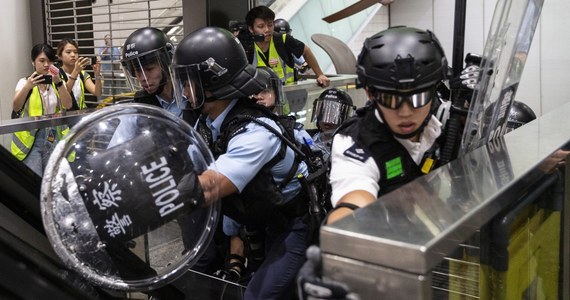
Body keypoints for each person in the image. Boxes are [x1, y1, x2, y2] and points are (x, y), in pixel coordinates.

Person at [297, 26, 451, 299]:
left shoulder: (448, 118)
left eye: (417, 98)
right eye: (391, 99)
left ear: (434, 89)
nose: (405, 112)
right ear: (370, 93)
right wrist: (336, 251)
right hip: (385, 265)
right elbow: (354, 202)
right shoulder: (354, 143)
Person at [171, 26, 310, 299]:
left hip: (295, 225)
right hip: (264, 220)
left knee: (258, 296)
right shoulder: (208, 122)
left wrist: (152, 201)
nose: (185, 92)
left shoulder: (255, 131)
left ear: (211, 82)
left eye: (188, 81)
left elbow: (210, 186)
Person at [11, 43, 73, 176]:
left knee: (53, 179)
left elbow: (68, 105)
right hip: (31, 141)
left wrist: (59, 83)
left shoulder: (56, 82)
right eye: (42, 60)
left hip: (53, 135)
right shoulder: (24, 82)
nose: (46, 64)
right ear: (33, 62)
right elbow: (16, 106)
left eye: (49, 61)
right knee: (35, 180)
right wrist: (28, 86)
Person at [244, 5, 330, 87]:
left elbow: (306, 51)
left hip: (288, 94)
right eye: (260, 26)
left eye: (270, 25)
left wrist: (320, 75)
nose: (267, 30)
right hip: (261, 98)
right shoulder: (247, 47)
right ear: (251, 29)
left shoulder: (283, 39)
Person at [120, 27, 182, 118]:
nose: (143, 78)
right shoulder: (141, 105)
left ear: (166, 64)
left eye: (149, 69)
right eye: (137, 71)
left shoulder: (191, 96)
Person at [311, 88, 356, 161]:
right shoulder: (307, 138)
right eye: (324, 114)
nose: (327, 121)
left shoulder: (351, 145)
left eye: (333, 115)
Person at [56, 38, 102, 110]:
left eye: (75, 52)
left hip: (79, 115)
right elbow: (63, 96)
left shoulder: (82, 74)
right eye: (68, 52)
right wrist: (75, 72)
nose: (73, 55)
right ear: (60, 56)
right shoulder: (56, 75)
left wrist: (97, 74)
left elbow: (97, 92)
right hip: (63, 117)